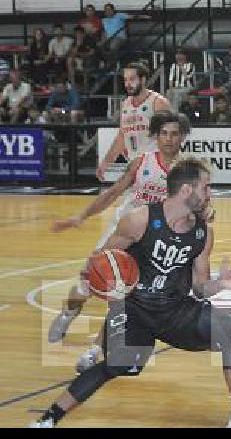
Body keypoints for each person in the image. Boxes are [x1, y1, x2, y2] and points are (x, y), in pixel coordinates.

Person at [31, 158, 231, 428]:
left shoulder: (203, 233)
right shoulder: (140, 219)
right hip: (136, 312)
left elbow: (199, 288)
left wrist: (219, 284)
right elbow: (100, 260)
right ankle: (47, 420)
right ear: (187, 190)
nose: (210, 194)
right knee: (118, 367)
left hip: (177, 311)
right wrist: (101, 283)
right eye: (206, 187)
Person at [47, 112, 205, 371]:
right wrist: (80, 216)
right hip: (126, 228)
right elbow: (113, 192)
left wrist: (205, 211)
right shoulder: (142, 162)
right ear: (156, 135)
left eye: (174, 133)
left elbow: (198, 203)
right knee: (88, 277)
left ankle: (94, 350)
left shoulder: (187, 171)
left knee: (124, 298)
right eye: (164, 133)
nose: (168, 139)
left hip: (152, 241)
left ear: (183, 137)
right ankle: (67, 315)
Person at [96, 63, 171, 181]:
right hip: (134, 167)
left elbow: (170, 136)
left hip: (156, 168)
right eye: (125, 80)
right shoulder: (125, 104)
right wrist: (106, 162)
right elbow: (122, 137)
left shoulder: (158, 102)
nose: (127, 84)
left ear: (143, 79)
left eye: (132, 79)